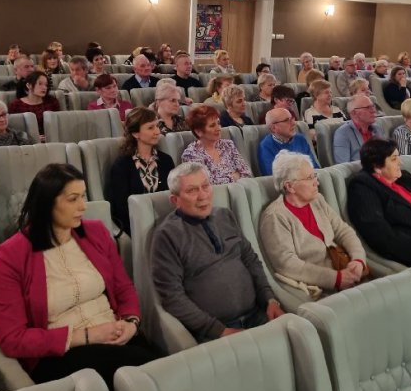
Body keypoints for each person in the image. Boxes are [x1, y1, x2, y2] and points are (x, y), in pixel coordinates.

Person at [0, 164, 161, 391]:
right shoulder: (11, 256)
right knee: (150, 379)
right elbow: (12, 339)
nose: (82, 206)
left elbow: (123, 288)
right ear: (47, 204)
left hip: (116, 336)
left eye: (83, 196)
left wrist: (131, 322)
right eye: (73, 199)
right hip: (61, 354)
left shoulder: (96, 232)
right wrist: (86, 336)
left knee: (159, 371)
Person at [152, 163, 284, 341]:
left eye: (205, 186)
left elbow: (250, 260)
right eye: (192, 190)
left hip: (258, 314)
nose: (203, 196)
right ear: (175, 200)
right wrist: (219, 331)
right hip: (216, 331)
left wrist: (270, 299)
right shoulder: (166, 236)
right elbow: (172, 297)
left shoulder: (225, 215)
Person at [259, 151, 366, 295]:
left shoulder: (317, 200)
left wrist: (358, 259)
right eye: (310, 178)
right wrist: (336, 278)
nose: (317, 182)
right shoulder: (275, 217)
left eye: (314, 175)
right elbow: (287, 264)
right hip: (320, 288)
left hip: (343, 266)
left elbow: (343, 231)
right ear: (289, 186)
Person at [347, 139, 411, 269]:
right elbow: (377, 232)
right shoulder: (362, 187)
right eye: (394, 159)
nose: (400, 162)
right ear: (377, 166)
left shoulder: (404, 177)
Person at [106, 107, 174, 236]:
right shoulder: (122, 165)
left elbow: (173, 196)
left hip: (167, 223)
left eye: (157, 126)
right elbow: (120, 208)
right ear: (135, 134)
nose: (157, 131)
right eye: (150, 128)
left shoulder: (166, 160)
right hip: (136, 226)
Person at [181, 105, 251, 184]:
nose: (218, 128)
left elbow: (246, 173)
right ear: (198, 132)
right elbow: (206, 184)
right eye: (212, 125)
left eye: (218, 123)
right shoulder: (191, 154)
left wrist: (223, 179)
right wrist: (234, 177)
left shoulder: (228, 145)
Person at [258, 108, 319, 176]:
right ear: (273, 128)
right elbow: (273, 177)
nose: (293, 123)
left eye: (292, 119)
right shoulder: (266, 147)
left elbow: (315, 167)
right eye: (287, 120)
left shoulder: (300, 139)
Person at [8, 71, 61, 139]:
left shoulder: (52, 102)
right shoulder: (16, 105)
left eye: (46, 85)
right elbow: (12, 129)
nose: (44, 87)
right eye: (40, 84)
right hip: (26, 141)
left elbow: (58, 124)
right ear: (29, 85)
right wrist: (32, 137)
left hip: (51, 138)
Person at [333, 94, 383, 163]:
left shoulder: (377, 129)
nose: (373, 110)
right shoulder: (343, 133)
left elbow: (385, 155)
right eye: (368, 107)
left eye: (373, 106)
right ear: (354, 113)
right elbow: (343, 165)